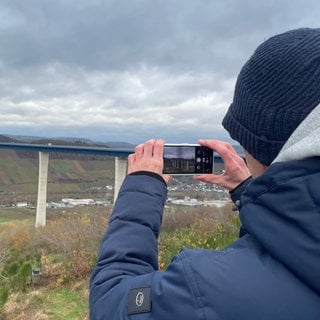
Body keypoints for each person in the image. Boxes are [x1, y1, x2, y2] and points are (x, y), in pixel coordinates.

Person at [89, 28, 320, 319]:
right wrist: (250, 191)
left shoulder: (203, 291)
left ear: (257, 147)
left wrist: (141, 187)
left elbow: (110, 301)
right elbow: (291, 250)